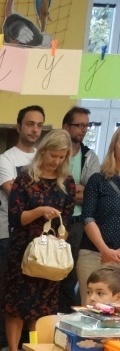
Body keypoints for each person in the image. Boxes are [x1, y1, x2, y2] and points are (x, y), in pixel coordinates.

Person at [1, 129, 75, 351]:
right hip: (23, 252)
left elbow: (67, 221)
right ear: (43, 151)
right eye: (53, 155)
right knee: (17, 307)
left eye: (62, 157)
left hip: (51, 256)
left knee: (42, 310)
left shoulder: (67, 183)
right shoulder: (25, 179)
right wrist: (40, 210)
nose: (57, 161)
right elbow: (16, 218)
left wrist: (62, 236)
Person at [0, 105, 46, 351]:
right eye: (30, 124)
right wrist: (44, 198)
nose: (35, 129)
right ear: (18, 127)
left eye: (39, 125)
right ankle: (5, 345)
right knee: (10, 294)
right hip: (9, 235)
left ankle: (28, 349)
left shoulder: (43, 159)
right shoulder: (7, 159)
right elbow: (16, 196)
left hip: (40, 239)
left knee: (35, 297)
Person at [59, 106, 101, 310]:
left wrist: (64, 190)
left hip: (77, 224)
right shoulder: (55, 153)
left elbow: (92, 194)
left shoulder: (89, 157)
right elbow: (49, 188)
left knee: (70, 277)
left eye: (86, 126)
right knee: (48, 273)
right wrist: (74, 190)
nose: (84, 130)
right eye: (79, 125)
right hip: (53, 221)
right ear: (66, 127)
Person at [77, 127, 120, 303]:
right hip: (93, 254)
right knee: (91, 309)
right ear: (114, 144)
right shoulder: (98, 179)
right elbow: (88, 217)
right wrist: (105, 250)